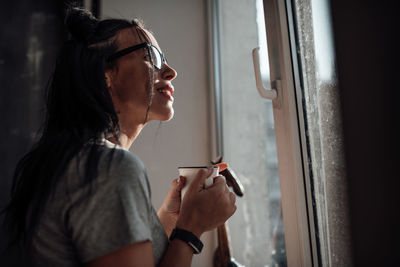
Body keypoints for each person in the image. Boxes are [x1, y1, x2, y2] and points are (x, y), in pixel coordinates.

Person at [2, 7, 236, 267]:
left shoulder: (78, 159)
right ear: (106, 74)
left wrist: (173, 219)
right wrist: (191, 232)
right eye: (153, 57)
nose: (170, 72)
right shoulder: (107, 168)